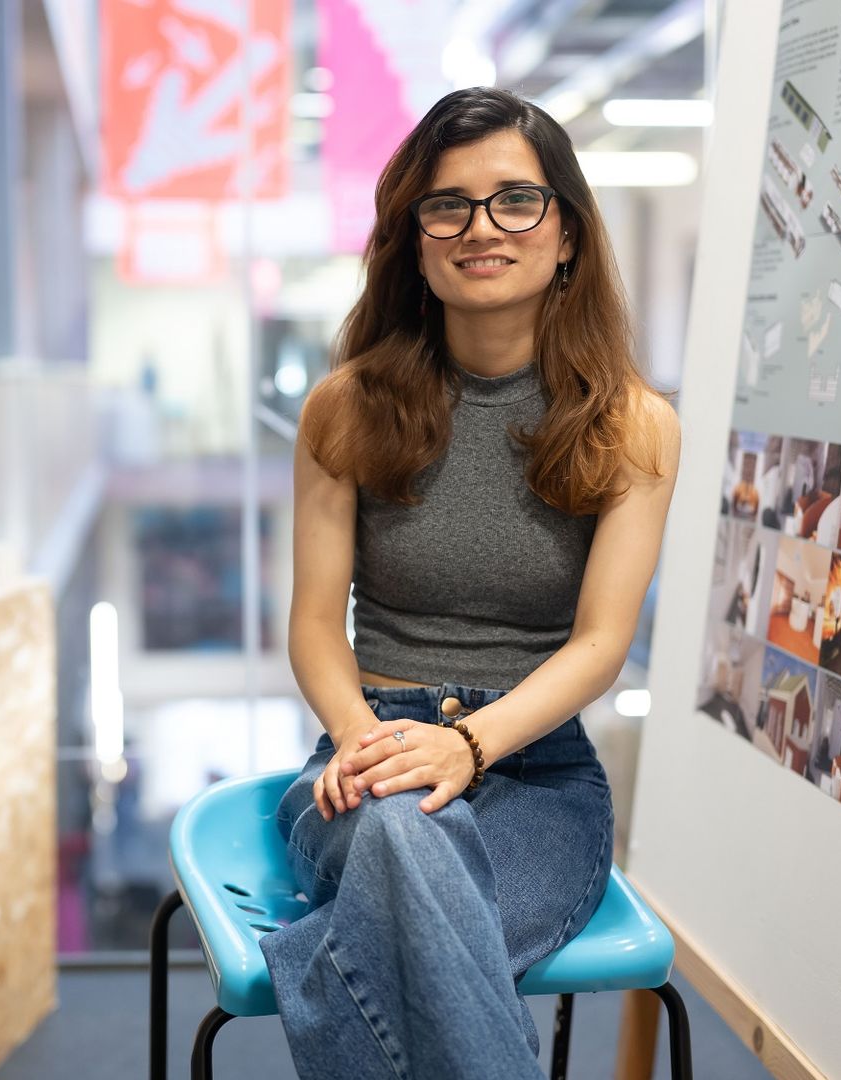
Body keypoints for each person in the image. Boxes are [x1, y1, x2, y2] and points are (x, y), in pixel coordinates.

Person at [263, 87, 681, 1079]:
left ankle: (318, 967)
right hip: (363, 760)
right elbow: (317, 628)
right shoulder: (345, 409)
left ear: (567, 232)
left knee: (397, 935)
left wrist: (466, 745)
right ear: (412, 239)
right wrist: (375, 746)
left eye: (515, 201)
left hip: (535, 774)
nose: (480, 228)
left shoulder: (632, 425)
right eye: (446, 205)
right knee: (406, 838)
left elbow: (599, 646)